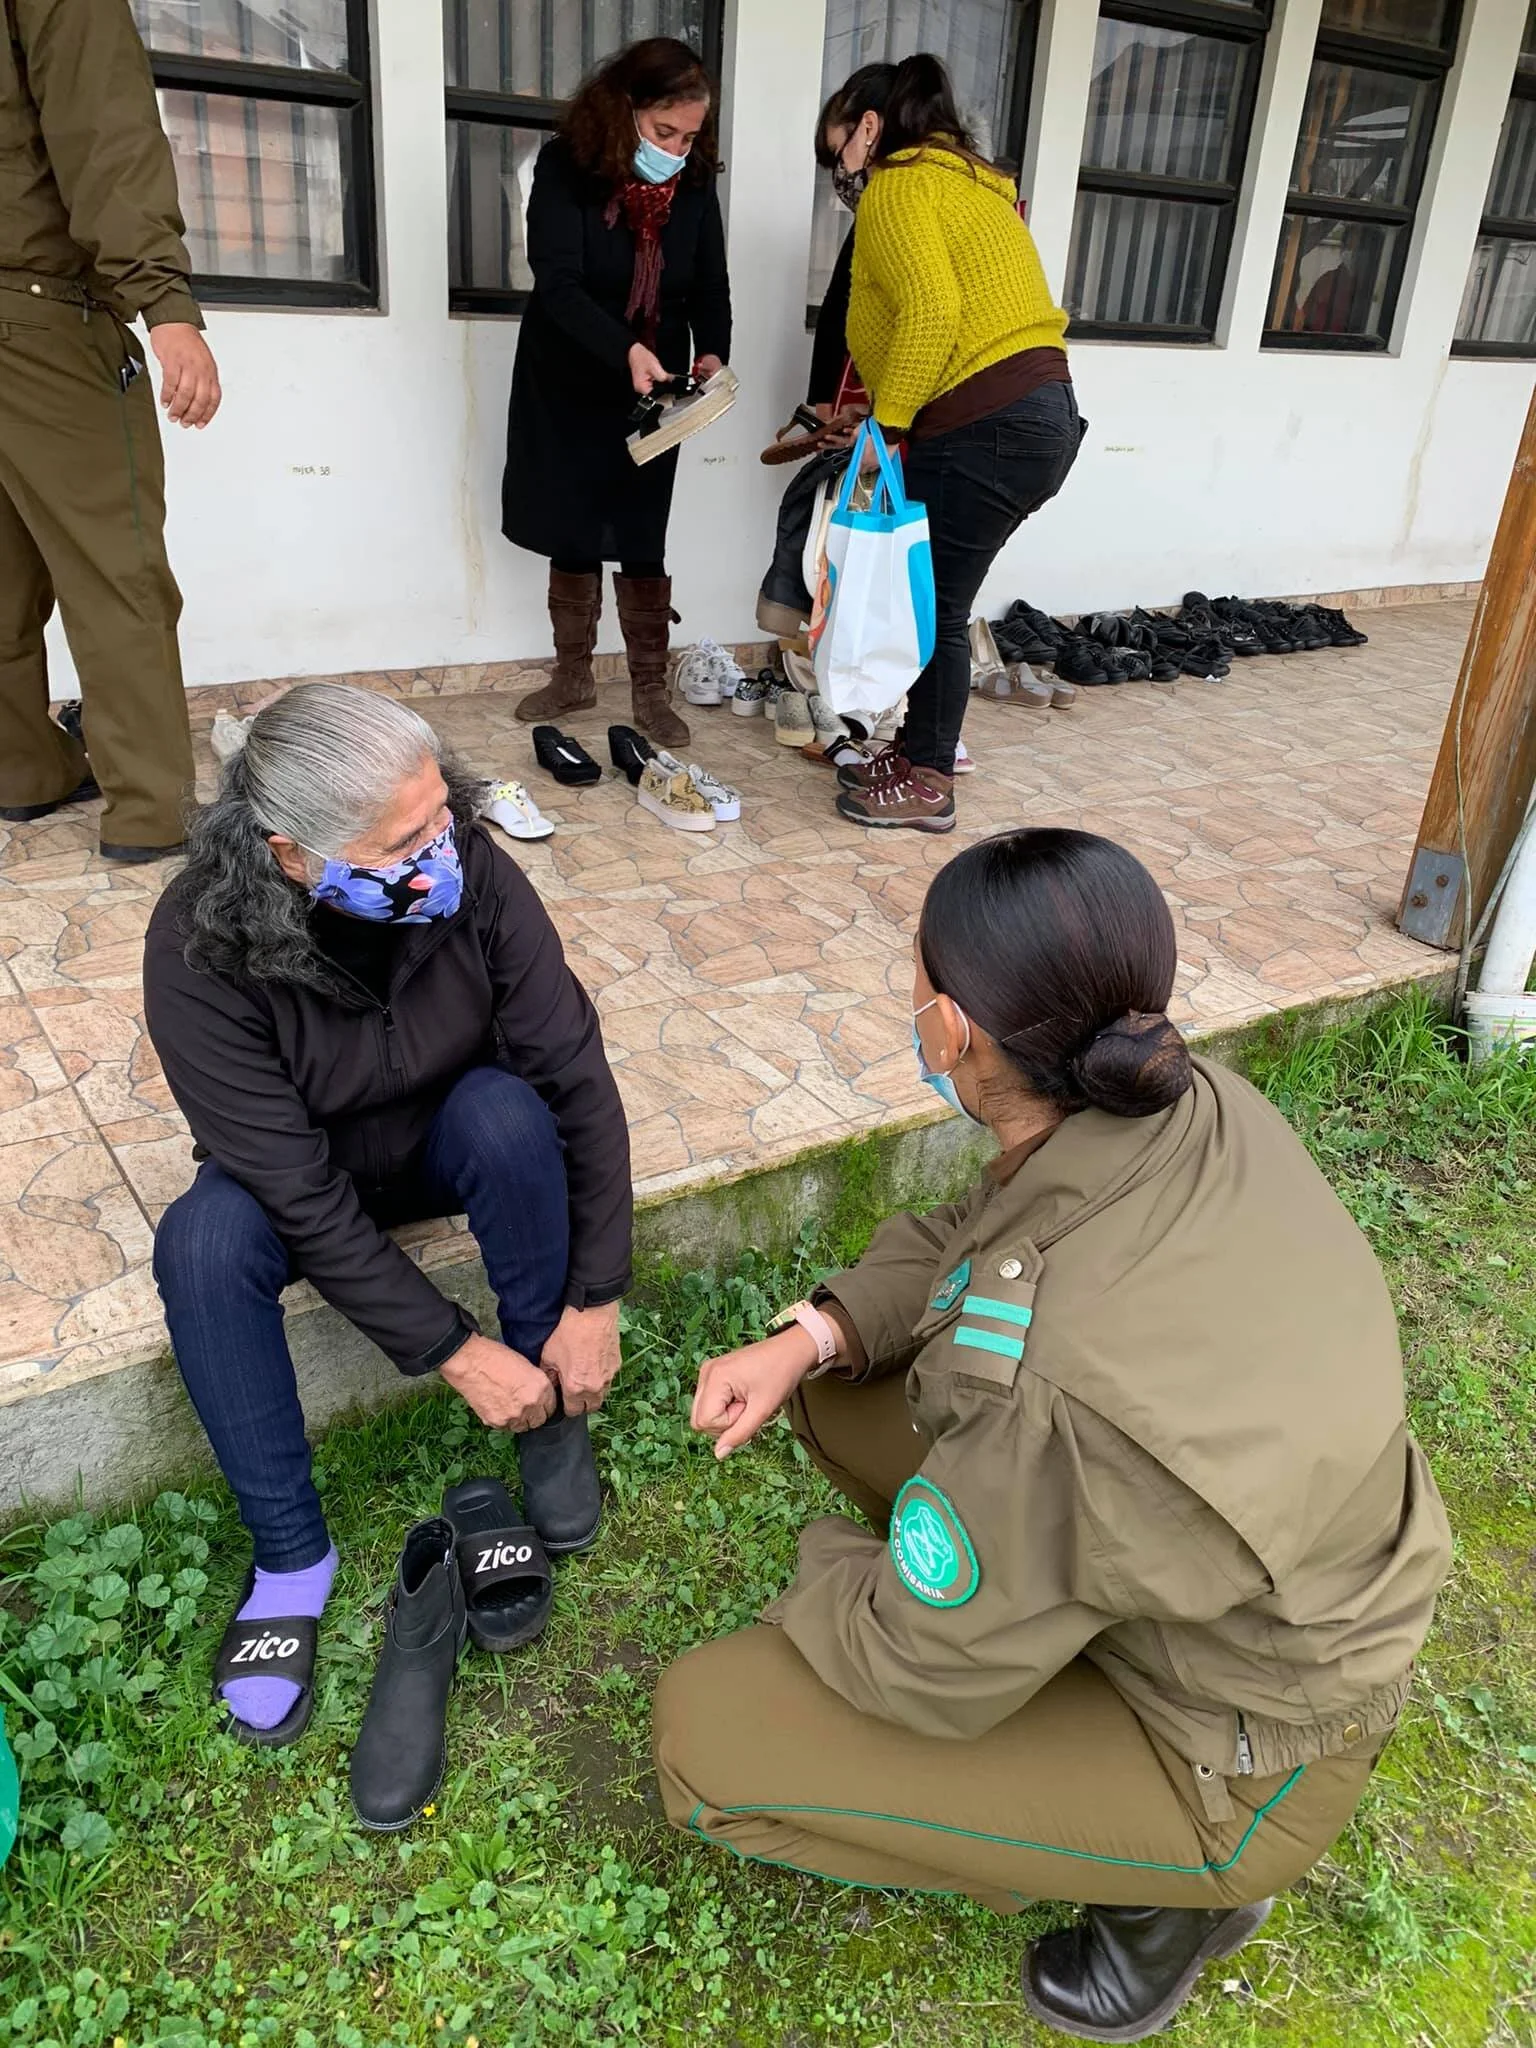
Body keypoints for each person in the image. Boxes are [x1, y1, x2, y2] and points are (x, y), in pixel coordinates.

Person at [655, 827, 1451, 2044]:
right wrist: (811, 1333)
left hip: (1245, 1742)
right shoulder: (1181, 1097)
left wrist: (834, 1571)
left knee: (706, 1738)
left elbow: (919, 1663)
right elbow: (984, 1225)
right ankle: (1051, 1623)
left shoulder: (1046, 1393)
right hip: (1249, 1570)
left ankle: (1167, 1901)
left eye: (914, 980)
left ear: (951, 1033)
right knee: (845, 1382)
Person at [143, 684, 632, 1747]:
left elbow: (575, 1075)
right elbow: (298, 1193)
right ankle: (289, 1555)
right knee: (202, 1241)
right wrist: (453, 1350)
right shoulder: (198, 944)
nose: (441, 847)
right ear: (290, 854)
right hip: (301, 1170)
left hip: (444, 1128)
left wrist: (597, 1296)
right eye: (403, 839)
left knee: (509, 1114)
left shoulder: (476, 874)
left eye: (438, 814)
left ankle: (553, 1409)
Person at [815, 55, 1083, 833]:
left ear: (869, 128)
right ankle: (918, 752)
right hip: (1031, 416)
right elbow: (937, 320)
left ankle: (930, 779)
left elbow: (930, 312)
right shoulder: (963, 183)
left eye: (838, 151)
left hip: (986, 423)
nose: (840, 171)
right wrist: (876, 414)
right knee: (934, 598)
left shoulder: (900, 182)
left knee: (936, 606)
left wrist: (889, 429)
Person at [0, 0, 221, 862]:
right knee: (115, 573)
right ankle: (152, 814)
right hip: (39, 314)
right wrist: (162, 301)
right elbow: (103, 127)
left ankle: (22, 770)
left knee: (5, 574)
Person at [505, 37, 732, 751]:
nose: (677, 147)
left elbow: (709, 284)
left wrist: (712, 352)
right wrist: (623, 348)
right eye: (665, 131)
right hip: (570, 371)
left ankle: (647, 691)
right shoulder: (567, 167)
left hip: (652, 383)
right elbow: (559, 282)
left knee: (641, 532)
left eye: (690, 136)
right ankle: (572, 675)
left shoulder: (692, 184)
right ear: (625, 109)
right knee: (572, 523)